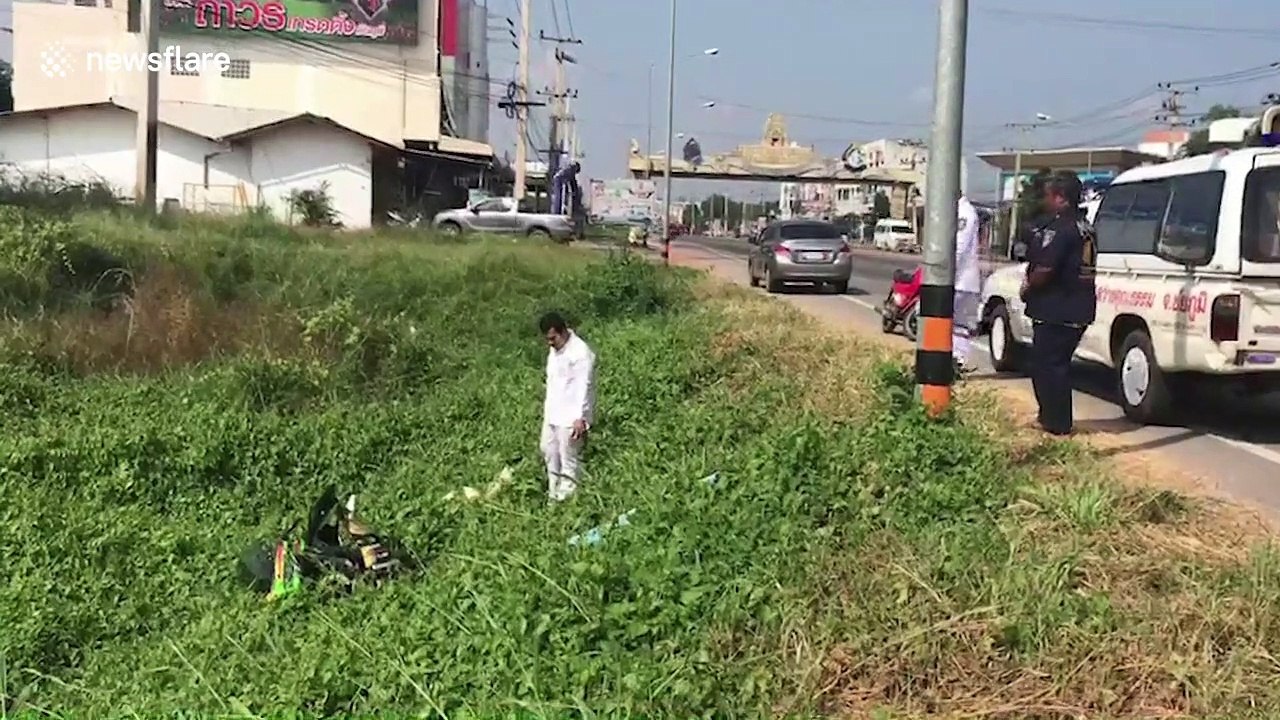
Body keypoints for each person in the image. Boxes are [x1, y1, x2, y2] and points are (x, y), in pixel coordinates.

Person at [1020, 171, 1097, 436]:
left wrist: (1028, 288)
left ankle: (1055, 422)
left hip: (1057, 307)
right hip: (1079, 305)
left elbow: (1045, 268)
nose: (1047, 201)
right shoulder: (1085, 227)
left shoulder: (1060, 228)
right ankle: (1055, 419)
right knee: (1059, 365)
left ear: (1061, 198)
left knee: (1047, 366)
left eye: (1050, 196)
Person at [538, 311, 596, 502]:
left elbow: (584, 385)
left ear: (563, 332)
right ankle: (553, 495)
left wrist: (581, 417)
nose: (550, 343)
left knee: (568, 457)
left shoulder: (580, 353)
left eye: (553, 338)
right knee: (549, 451)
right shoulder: (555, 350)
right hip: (553, 411)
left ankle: (567, 499)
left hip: (571, 416)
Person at [952, 195, 982, 373]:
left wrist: (944, 272)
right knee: (951, 323)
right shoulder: (956, 211)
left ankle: (959, 360)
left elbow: (959, 247)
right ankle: (955, 359)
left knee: (959, 324)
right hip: (958, 280)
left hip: (962, 281)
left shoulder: (965, 213)